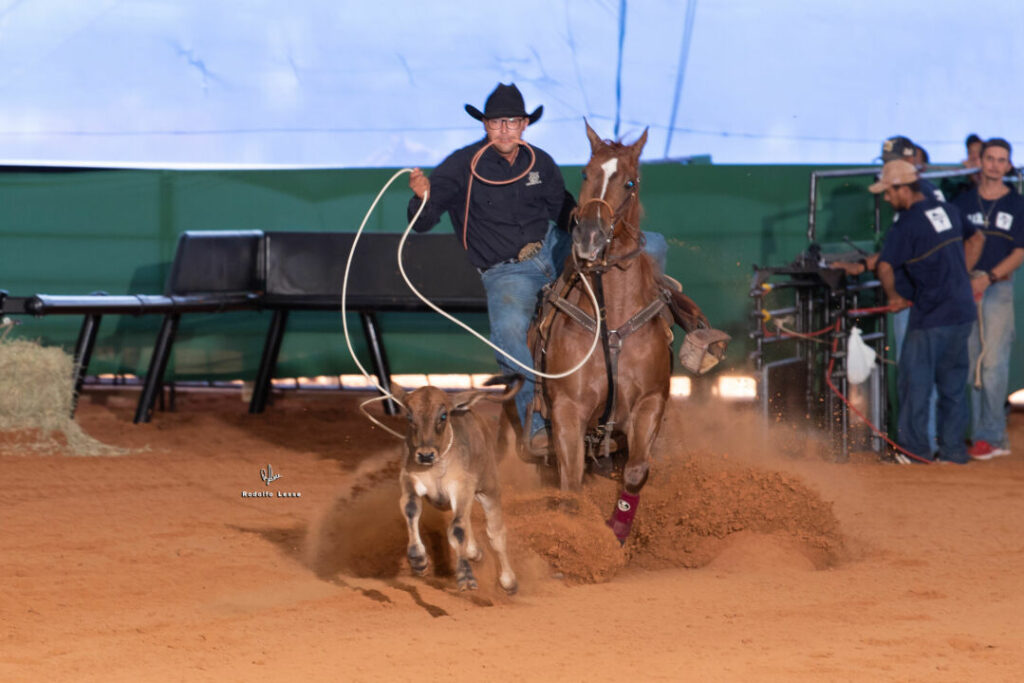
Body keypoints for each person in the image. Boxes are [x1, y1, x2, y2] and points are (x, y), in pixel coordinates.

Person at [406, 83, 570, 450]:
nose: (505, 130)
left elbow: (562, 208)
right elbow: (423, 221)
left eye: (512, 122)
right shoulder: (462, 166)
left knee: (642, 248)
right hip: (507, 272)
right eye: (496, 122)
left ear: (525, 124)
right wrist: (422, 197)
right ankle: (536, 426)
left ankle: (688, 326)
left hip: (553, 250)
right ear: (485, 125)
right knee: (509, 334)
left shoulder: (540, 162)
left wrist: (588, 228)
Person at [872, 160, 976, 464]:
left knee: (915, 383)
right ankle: (953, 451)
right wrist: (961, 275)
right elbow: (978, 238)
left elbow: (884, 266)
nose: (886, 198)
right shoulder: (947, 209)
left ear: (904, 189)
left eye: (889, 192)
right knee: (953, 386)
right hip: (962, 311)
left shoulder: (906, 224)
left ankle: (914, 451)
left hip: (930, 315)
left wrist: (894, 297)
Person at [952, 138, 1024, 460]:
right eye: (990, 158)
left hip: (998, 289)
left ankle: (993, 436)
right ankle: (978, 433)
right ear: (980, 161)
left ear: (1008, 165)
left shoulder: (1017, 204)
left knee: (993, 363)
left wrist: (988, 278)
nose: (995, 165)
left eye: (1001, 160)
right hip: (966, 289)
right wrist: (968, 280)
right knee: (971, 364)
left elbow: (1019, 253)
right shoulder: (963, 202)